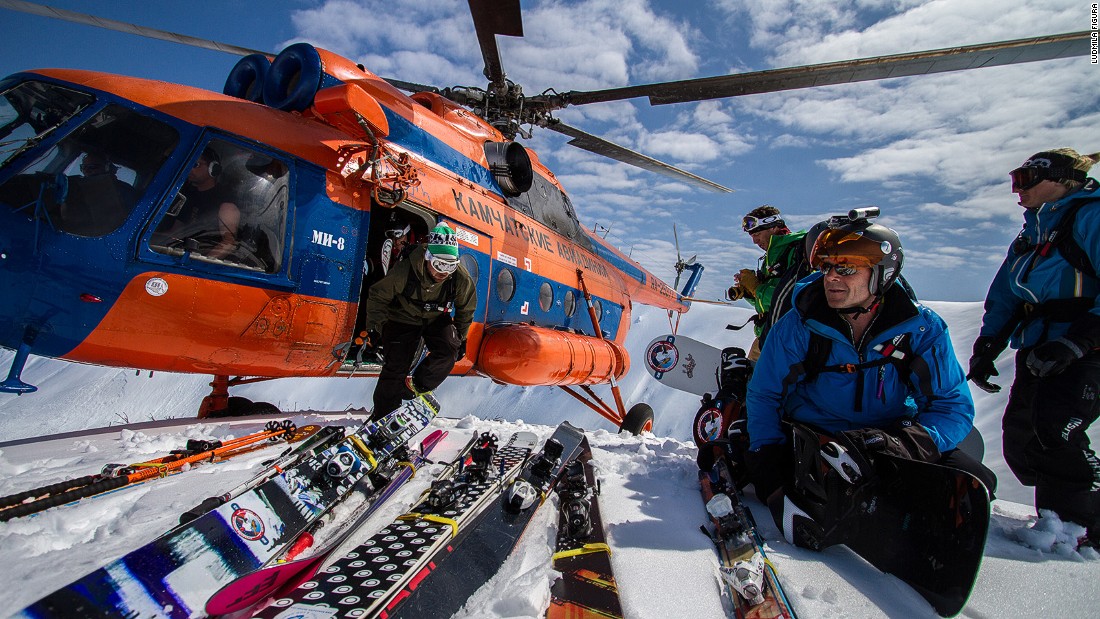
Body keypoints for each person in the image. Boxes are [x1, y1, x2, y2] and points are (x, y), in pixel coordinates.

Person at [744, 214, 995, 548]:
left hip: (886, 440)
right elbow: (765, 394)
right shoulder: (798, 325)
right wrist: (766, 454)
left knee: (975, 482)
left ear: (881, 273)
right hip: (816, 437)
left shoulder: (921, 329)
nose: (831, 277)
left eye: (845, 268)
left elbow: (952, 406)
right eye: (827, 267)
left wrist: (907, 443)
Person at [968, 148, 1100, 546]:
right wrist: (987, 345)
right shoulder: (1033, 232)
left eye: (1024, 180)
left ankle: (1082, 528)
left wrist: (1078, 342)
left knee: (1058, 430)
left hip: (1084, 346)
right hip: (1039, 345)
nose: (1016, 190)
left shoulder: (1090, 217)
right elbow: (1006, 292)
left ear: (1059, 179)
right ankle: (1055, 517)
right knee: (1023, 437)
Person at [361, 223, 476, 421]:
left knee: (450, 350)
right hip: (402, 316)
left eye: (450, 266)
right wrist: (375, 329)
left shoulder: (459, 278)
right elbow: (378, 296)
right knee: (396, 364)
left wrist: (462, 337)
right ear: (428, 258)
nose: (444, 272)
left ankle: (416, 386)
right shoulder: (405, 270)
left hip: (435, 317)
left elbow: (466, 308)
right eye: (440, 265)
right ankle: (382, 416)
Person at [726, 205, 810, 361]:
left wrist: (757, 288)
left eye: (757, 234)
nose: (755, 241)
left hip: (787, 336)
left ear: (773, 227)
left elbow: (793, 297)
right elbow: (768, 303)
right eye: (752, 236)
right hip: (767, 333)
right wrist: (748, 292)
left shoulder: (797, 250)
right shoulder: (770, 257)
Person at [166, 147, 240, 260]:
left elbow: (229, 242)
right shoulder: (188, 197)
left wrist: (201, 262)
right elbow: (176, 232)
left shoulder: (225, 203)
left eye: (196, 165)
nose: (190, 169)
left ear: (213, 168)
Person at [61, 149, 135, 235]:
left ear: (107, 167)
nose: (87, 171)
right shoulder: (76, 187)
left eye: (93, 167)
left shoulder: (123, 190)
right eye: (84, 167)